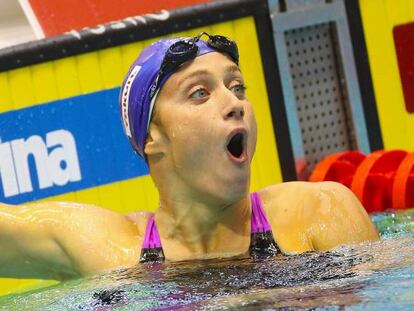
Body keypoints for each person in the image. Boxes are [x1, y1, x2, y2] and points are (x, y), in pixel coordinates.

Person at [0, 33, 379, 281]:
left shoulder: (318, 213)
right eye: (200, 92)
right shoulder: (109, 248)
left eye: (237, 87)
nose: (234, 103)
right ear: (152, 136)